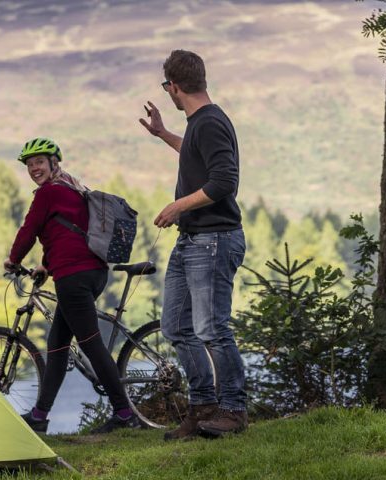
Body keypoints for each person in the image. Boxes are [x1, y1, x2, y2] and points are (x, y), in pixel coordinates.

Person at [139, 50, 248, 439]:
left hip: (214, 240)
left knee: (212, 329)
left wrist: (176, 206)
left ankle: (233, 410)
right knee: (176, 328)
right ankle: (202, 407)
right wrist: (162, 134)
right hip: (192, 242)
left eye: (166, 85)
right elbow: (195, 153)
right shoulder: (200, 124)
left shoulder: (212, 122)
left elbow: (223, 183)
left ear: (175, 87)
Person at [3, 137, 141, 434]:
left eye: (39, 161)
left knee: (91, 344)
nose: (33, 168)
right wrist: (46, 265)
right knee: (57, 345)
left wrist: (13, 259)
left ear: (54, 162)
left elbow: (30, 229)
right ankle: (40, 416)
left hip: (74, 277)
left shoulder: (48, 193)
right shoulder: (72, 189)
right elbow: (66, 235)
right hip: (91, 273)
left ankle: (124, 413)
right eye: (29, 164)